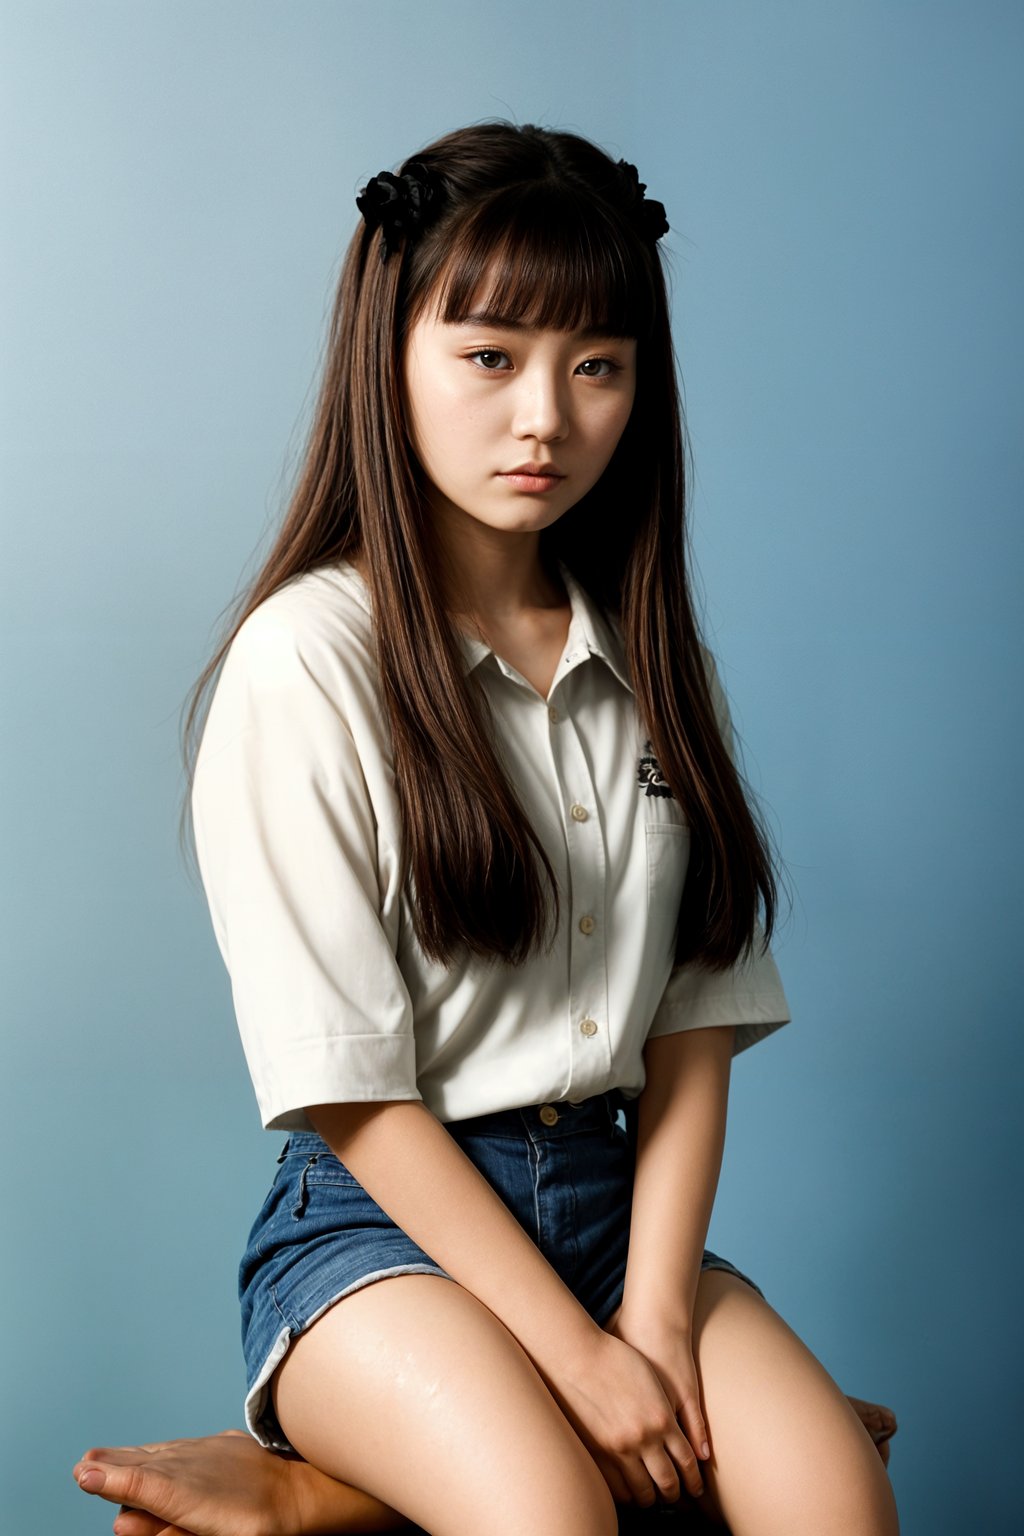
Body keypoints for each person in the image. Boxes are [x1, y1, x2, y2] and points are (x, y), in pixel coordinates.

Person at [72, 122, 899, 1536]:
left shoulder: (653, 657)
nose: (545, 419)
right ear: (390, 354)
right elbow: (350, 1092)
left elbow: (694, 1031)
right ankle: (334, 1456)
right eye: (489, 356)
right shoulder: (308, 660)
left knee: (840, 1500)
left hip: (619, 1214)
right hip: (381, 1236)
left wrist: (646, 1315)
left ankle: (319, 1496)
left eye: (598, 367)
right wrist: (577, 1365)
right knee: (552, 1516)